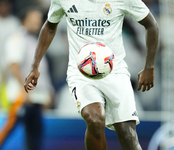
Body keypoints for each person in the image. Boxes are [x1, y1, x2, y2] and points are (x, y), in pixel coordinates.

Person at [24, 0, 159, 149]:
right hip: (82, 73)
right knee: (94, 119)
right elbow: (50, 26)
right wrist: (35, 65)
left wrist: (149, 67)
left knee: (127, 134)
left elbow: (151, 24)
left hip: (116, 73)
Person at [0, 7, 53, 150]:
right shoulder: (17, 38)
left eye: (39, 19)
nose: (38, 22)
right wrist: (25, 90)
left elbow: (41, 70)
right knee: (8, 130)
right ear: (24, 20)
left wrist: (48, 92)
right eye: (34, 18)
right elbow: (14, 65)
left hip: (35, 98)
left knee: (35, 136)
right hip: (21, 97)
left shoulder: (33, 40)